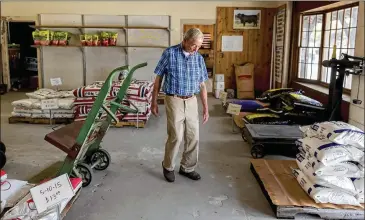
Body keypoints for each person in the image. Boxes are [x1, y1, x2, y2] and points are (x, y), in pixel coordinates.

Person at [151, 28, 209, 183]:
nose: (196, 49)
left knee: (193, 136)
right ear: (185, 40)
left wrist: (206, 108)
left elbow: (202, 85)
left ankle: (187, 167)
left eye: (199, 46)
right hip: (174, 99)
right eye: (193, 45)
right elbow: (158, 79)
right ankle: (168, 166)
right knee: (176, 136)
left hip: (191, 100)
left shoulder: (198, 58)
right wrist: (154, 101)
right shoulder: (169, 53)